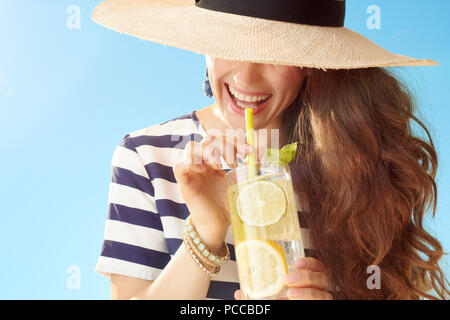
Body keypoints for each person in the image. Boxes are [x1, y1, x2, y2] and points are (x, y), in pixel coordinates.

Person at [92, 0, 450, 300]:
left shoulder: (355, 164)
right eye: (231, 46)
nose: (247, 80)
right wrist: (205, 231)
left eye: (276, 53)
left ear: (311, 65)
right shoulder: (147, 157)